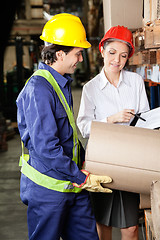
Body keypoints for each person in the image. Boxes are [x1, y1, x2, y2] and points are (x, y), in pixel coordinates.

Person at [16, 13, 112, 240]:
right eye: (77, 53)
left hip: (71, 183)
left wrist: (87, 163)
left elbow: (67, 134)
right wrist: (80, 176)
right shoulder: (39, 89)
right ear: (60, 54)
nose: (80, 59)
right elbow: (47, 147)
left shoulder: (61, 82)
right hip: (49, 189)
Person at [77, 25, 150, 240]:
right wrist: (111, 119)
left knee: (130, 227)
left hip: (130, 161)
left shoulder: (135, 82)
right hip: (102, 161)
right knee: (103, 224)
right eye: (112, 53)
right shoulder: (91, 88)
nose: (117, 60)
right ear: (102, 51)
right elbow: (83, 126)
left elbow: (145, 118)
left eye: (123, 55)